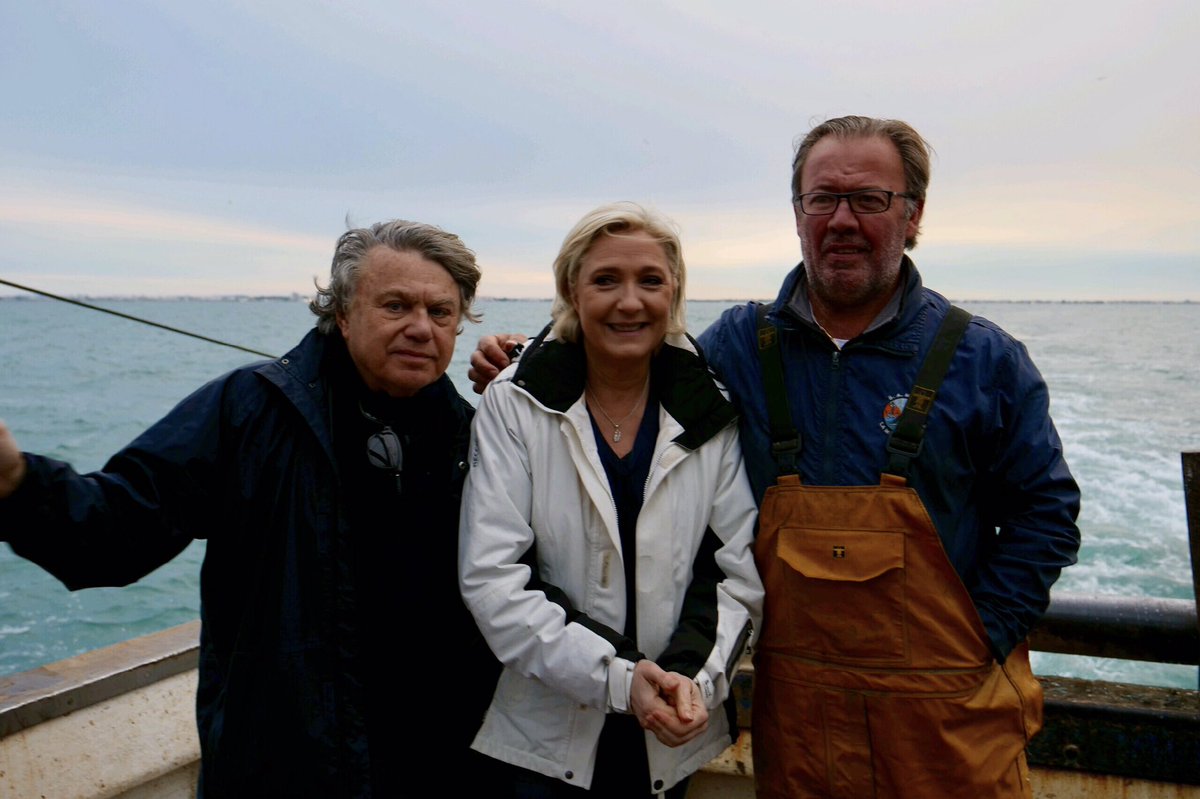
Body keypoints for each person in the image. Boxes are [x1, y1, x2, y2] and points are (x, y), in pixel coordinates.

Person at [468, 117, 1082, 799]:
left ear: (913, 216)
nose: (842, 219)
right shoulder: (737, 345)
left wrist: (977, 642)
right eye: (823, 198)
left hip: (951, 721)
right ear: (797, 214)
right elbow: (628, 354)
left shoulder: (986, 360)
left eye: (869, 199)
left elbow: (1046, 516)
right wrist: (524, 360)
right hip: (800, 726)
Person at [0, 220, 501, 798]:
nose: (420, 328)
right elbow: (116, 530)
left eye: (440, 313)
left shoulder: (476, 434)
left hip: (438, 767)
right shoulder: (251, 411)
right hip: (286, 771)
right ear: (341, 314)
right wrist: (17, 481)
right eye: (395, 306)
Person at [458, 202, 765, 798]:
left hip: (671, 731)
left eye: (650, 280)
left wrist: (688, 683)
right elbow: (494, 577)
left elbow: (734, 574)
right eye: (606, 280)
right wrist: (621, 680)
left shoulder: (711, 412)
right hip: (544, 740)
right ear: (571, 290)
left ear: (674, 293)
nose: (630, 302)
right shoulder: (515, 403)